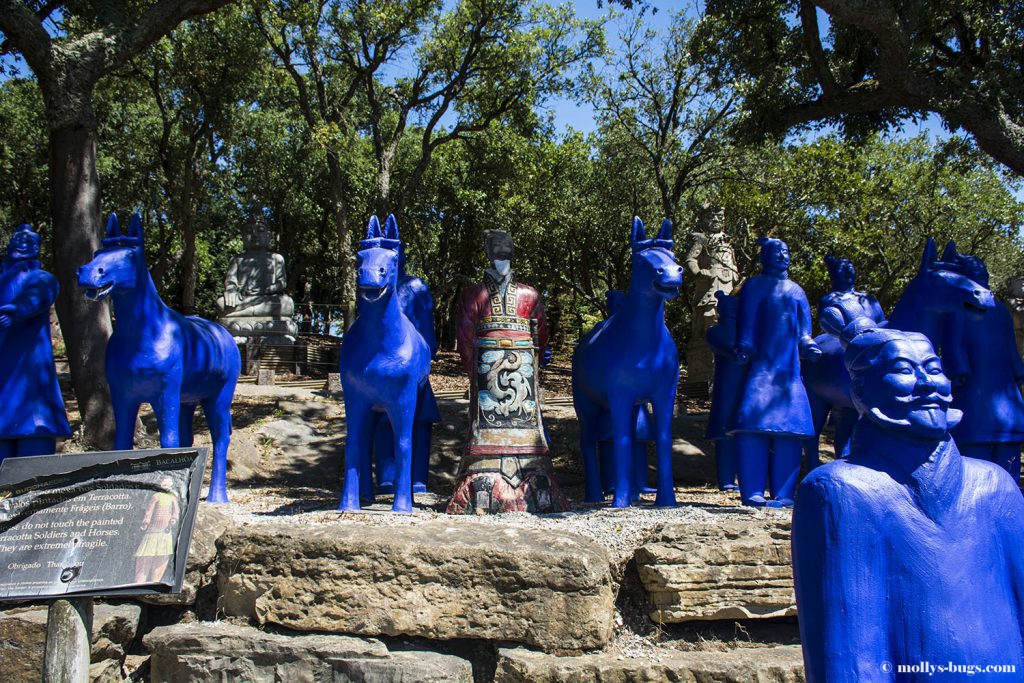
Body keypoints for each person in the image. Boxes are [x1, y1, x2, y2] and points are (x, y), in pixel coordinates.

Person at [793, 324, 1024, 682]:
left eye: (933, 368)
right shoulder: (841, 491)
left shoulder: (995, 485)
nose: (929, 383)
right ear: (860, 390)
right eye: (903, 370)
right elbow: (847, 656)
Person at [448, 229, 566, 513]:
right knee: (486, 421)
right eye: (495, 244)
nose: (502, 248)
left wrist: (532, 368)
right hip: (486, 368)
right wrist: (475, 374)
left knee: (526, 418)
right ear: (487, 250)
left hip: (522, 367)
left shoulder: (530, 294)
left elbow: (540, 337)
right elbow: (465, 340)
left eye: (507, 244)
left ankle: (532, 479)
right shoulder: (472, 294)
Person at [729, 237, 819, 507]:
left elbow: (804, 331)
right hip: (761, 368)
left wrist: (809, 346)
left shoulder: (797, 291)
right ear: (763, 257)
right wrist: (743, 346)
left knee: (789, 431)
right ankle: (753, 491)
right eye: (775, 252)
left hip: (789, 372)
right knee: (751, 426)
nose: (782, 256)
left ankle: (784, 492)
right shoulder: (755, 286)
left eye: (785, 252)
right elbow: (746, 324)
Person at [940, 255, 1024, 480]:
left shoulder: (959, 310)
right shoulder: (998, 310)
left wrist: (957, 372)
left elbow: (952, 348)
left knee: (978, 473)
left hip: (977, 406)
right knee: (1002, 473)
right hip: (1002, 408)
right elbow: (1013, 353)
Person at [0, 224, 71, 462]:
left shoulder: (42, 278)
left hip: (32, 392)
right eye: (17, 240)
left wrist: (13, 311)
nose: (21, 244)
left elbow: (38, 296)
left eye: (28, 241)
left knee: (34, 468)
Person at [684, 206, 739, 389]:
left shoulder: (728, 240)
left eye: (719, 217)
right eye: (711, 217)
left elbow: (733, 263)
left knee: (731, 319)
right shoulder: (702, 239)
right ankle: (706, 369)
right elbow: (691, 259)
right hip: (710, 285)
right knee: (709, 317)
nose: (715, 220)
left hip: (729, 284)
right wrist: (699, 272)